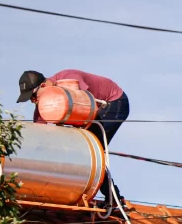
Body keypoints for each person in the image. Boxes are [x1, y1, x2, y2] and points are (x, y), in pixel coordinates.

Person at [17, 69, 129, 204]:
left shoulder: (70, 80)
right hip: (93, 111)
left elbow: (86, 103)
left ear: (43, 86)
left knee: (92, 153)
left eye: (33, 97)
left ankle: (113, 198)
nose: (33, 101)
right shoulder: (45, 100)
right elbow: (40, 131)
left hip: (114, 103)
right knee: (77, 151)